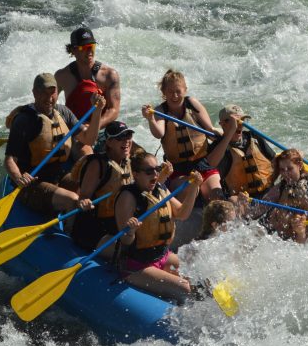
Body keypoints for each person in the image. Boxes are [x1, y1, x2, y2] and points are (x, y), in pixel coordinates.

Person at [3, 73, 99, 215]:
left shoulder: (63, 112)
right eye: (43, 92)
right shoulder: (24, 120)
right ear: (35, 93)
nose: (49, 98)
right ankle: (68, 232)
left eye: (52, 92)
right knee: (73, 199)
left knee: (90, 187)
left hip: (58, 176)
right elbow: (9, 159)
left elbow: (88, 139)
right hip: (32, 184)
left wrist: (97, 111)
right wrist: (19, 178)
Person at [115, 153, 205, 301]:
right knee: (185, 288)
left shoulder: (161, 189)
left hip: (163, 256)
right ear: (136, 174)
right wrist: (130, 231)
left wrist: (194, 188)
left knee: (200, 277)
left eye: (157, 169)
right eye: (149, 171)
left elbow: (182, 214)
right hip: (137, 266)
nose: (156, 174)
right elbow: (125, 241)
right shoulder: (128, 197)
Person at [141, 69, 233, 201]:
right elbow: (158, 133)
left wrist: (228, 133)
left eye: (178, 91)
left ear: (185, 90)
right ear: (164, 93)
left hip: (203, 164)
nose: (175, 95)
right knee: (189, 191)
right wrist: (150, 119)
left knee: (216, 196)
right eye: (170, 92)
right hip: (178, 170)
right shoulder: (160, 111)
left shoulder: (192, 103)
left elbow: (209, 129)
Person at [70, 120, 135, 250]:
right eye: (120, 137)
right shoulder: (97, 164)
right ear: (109, 142)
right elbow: (83, 197)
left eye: (128, 136)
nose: (126, 140)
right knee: (124, 251)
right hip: (94, 226)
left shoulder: (128, 163)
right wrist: (84, 202)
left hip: (116, 223)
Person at [257, 148, 308, 242]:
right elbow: (258, 208)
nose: (286, 173)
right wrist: (245, 204)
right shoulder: (280, 188)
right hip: (285, 238)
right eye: (282, 170)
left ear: (299, 165)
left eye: (290, 169)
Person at [55, 26, 121, 128]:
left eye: (92, 46)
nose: (89, 51)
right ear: (73, 50)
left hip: (101, 128)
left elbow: (114, 110)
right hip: (74, 130)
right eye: (84, 47)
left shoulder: (110, 75)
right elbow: (49, 103)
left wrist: (92, 127)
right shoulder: (62, 76)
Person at [206, 104, 276, 200]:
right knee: (232, 201)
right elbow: (211, 163)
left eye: (242, 120)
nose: (240, 124)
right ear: (223, 124)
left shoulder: (255, 137)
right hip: (241, 199)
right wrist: (230, 132)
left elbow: (276, 161)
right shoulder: (218, 147)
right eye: (235, 122)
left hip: (267, 193)